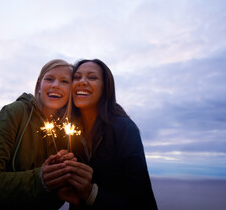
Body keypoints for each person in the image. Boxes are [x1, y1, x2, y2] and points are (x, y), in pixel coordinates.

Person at [0, 59, 75, 210]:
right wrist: (40, 179)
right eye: (49, 79)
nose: (55, 85)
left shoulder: (68, 131)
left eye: (64, 81)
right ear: (39, 85)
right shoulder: (15, 112)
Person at [59, 59, 158, 209]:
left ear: (106, 87)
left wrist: (91, 194)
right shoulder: (69, 132)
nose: (82, 82)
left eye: (92, 77)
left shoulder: (124, 129)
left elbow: (144, 204)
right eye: (77, 77)